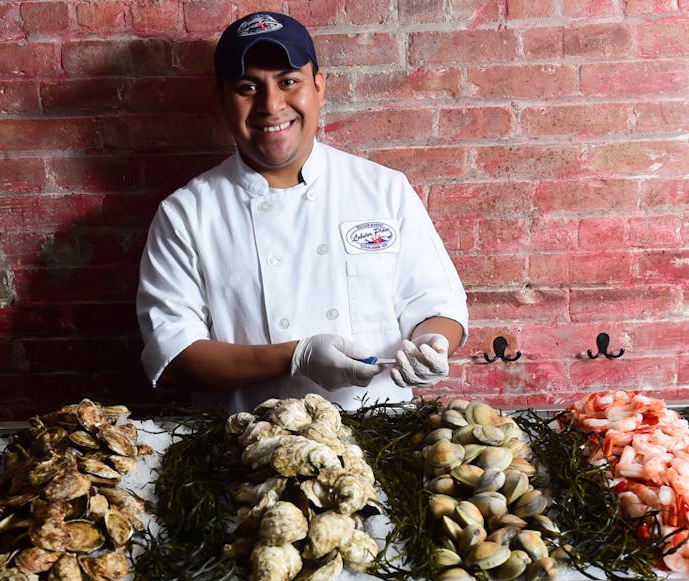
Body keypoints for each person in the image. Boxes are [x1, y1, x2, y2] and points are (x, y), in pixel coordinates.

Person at [136, 11, 468, 412]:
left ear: (319, 87)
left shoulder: (384, 189)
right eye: (247, 87)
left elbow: (436, 306)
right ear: (221, 101)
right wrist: (297, 357)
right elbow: (173, 356)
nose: (271, 104)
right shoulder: (187, 214)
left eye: (288, 81)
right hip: (247, 453)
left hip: (381, 444)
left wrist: (432, 344)